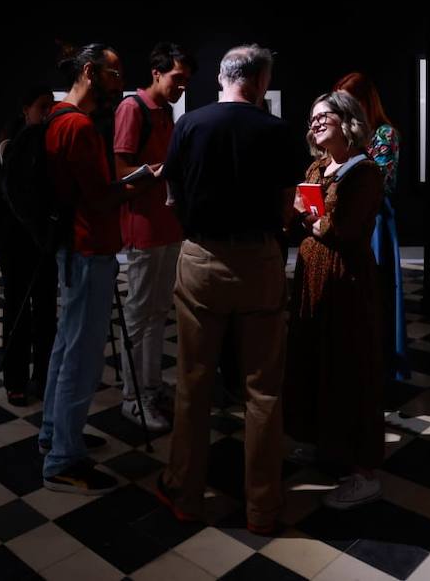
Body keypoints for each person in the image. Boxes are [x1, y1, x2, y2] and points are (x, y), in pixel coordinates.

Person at [156, 45, 303, 534]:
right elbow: (288, 204)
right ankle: (262, 507)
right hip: (260, 260)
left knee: (193, 384)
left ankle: (186, 494)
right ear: (261, 82)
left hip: (201, 258)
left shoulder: (190, 125)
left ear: (222, 78)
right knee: (262, 390)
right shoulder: (278, 131)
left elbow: (172, 195)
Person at [37, 44, 142, 494]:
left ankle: (53, 434)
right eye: (114, 73)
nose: (119, 82)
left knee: (66, 344)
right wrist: (139, 184)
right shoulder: (77, 126)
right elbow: (98, 199)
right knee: (82, 355)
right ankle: (63, 459)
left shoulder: (56, 118)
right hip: (88, 248)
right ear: (89, 72)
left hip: (72, 248)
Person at [284, 90, 386, 509]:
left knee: (350, 365)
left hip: (347, 279)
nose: (316, 122)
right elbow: (308, 224)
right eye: (312, 118)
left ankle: (364, 471)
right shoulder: (317, 166)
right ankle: (327, 443)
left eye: (325, 115)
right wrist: (301, 216)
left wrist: (310, 218)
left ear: (348, 120)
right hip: (312, 276)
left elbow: (340, 228)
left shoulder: (364, 173)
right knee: (315, 358)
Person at [112, 42, 194, 432]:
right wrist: (156, 172)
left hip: (166, 224)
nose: (181, 87)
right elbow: (120, 170)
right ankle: (133, 396)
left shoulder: (165, 112)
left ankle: (150, 386)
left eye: (186, 81)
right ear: (157, 73)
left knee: (158, 311)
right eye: (177, 78)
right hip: (143, 226)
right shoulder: (133, 108)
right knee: (140, 312)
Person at [336, 72, 409, 380]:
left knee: (376, 290)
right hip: (350, 217)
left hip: (376, 221)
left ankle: (379, 365)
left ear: (365, 101)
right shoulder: (347, 133)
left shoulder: (385, 134)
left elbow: (376, 180)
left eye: (349, 101)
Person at [0, 86, 58, 406]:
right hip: (16, 239)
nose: (47, 112)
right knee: (17, 306)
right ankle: (15, 379)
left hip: (43, 238)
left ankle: (43, 377)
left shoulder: (47, 141)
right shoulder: (11, 144)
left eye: (51, 106)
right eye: (42, 106)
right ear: (25, 109)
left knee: (46, 309)